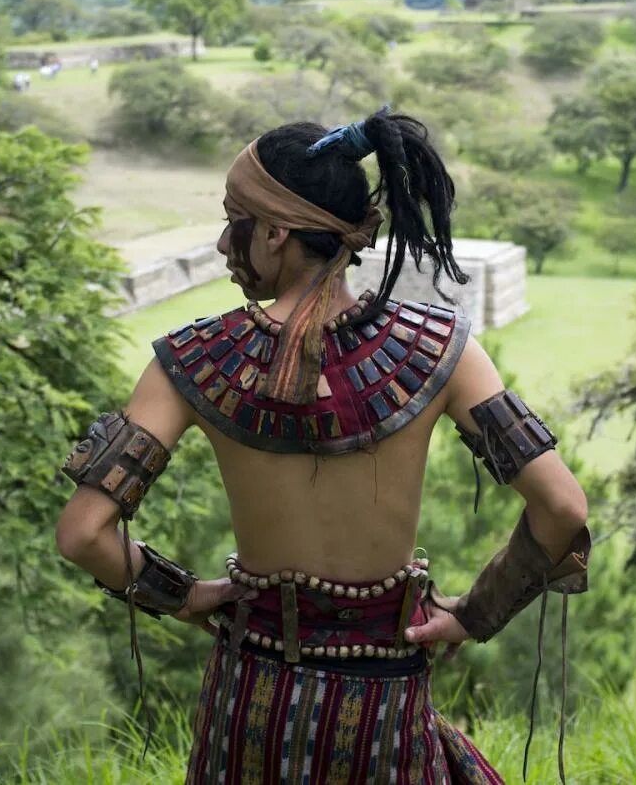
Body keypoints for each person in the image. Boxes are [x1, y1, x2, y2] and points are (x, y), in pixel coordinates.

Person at [55, 109, 591, 784]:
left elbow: (83, 534)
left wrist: (189, 597)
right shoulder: (444, 351)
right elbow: (563, 506)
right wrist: (474, 612)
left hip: (249, 703)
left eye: (235, 218)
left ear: (277, 231)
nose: (224, 241)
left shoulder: (190, 361)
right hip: (383, 705)